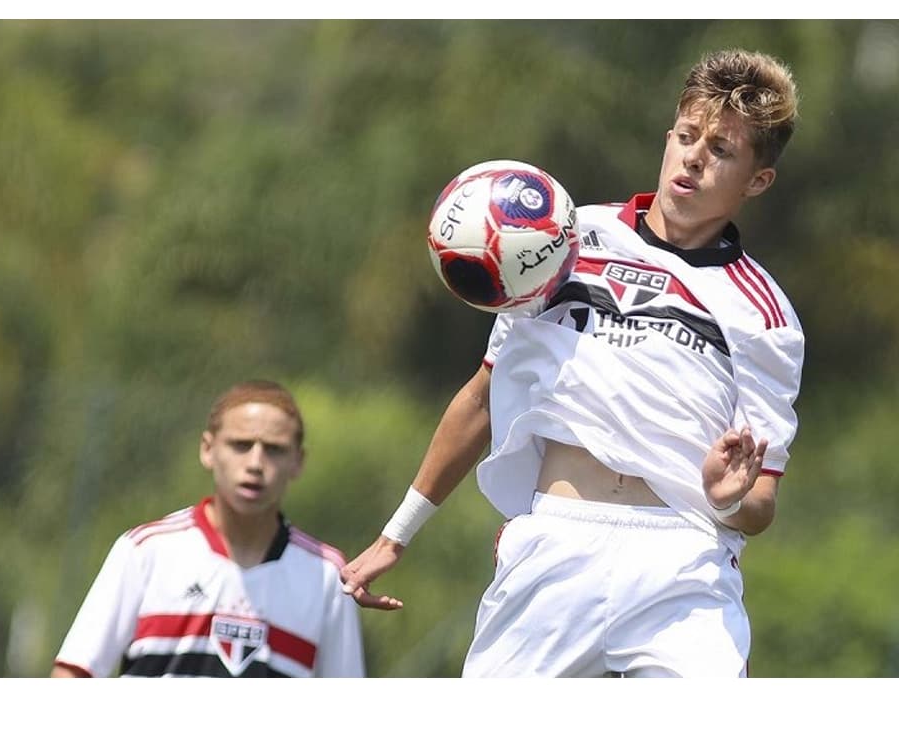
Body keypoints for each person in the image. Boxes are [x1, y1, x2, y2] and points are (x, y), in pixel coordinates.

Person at [340, 48, 804, 677]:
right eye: (687, 137)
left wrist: (728, 500)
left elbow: (762, 502)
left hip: (684, 563)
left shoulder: (765, 314)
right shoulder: (561, 240)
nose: (693, 157)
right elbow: (482, 396)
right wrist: (396, 534)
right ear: (668, 137)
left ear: (757, 180)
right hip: (556, 543)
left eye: (721, 150)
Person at [52, 380, 365, 677]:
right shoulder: (146, 552)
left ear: (298, 461)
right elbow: (74, 674)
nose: (255, 463)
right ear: (208, 449)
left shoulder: (327, 578)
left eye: (274, 449)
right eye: (241, 445)